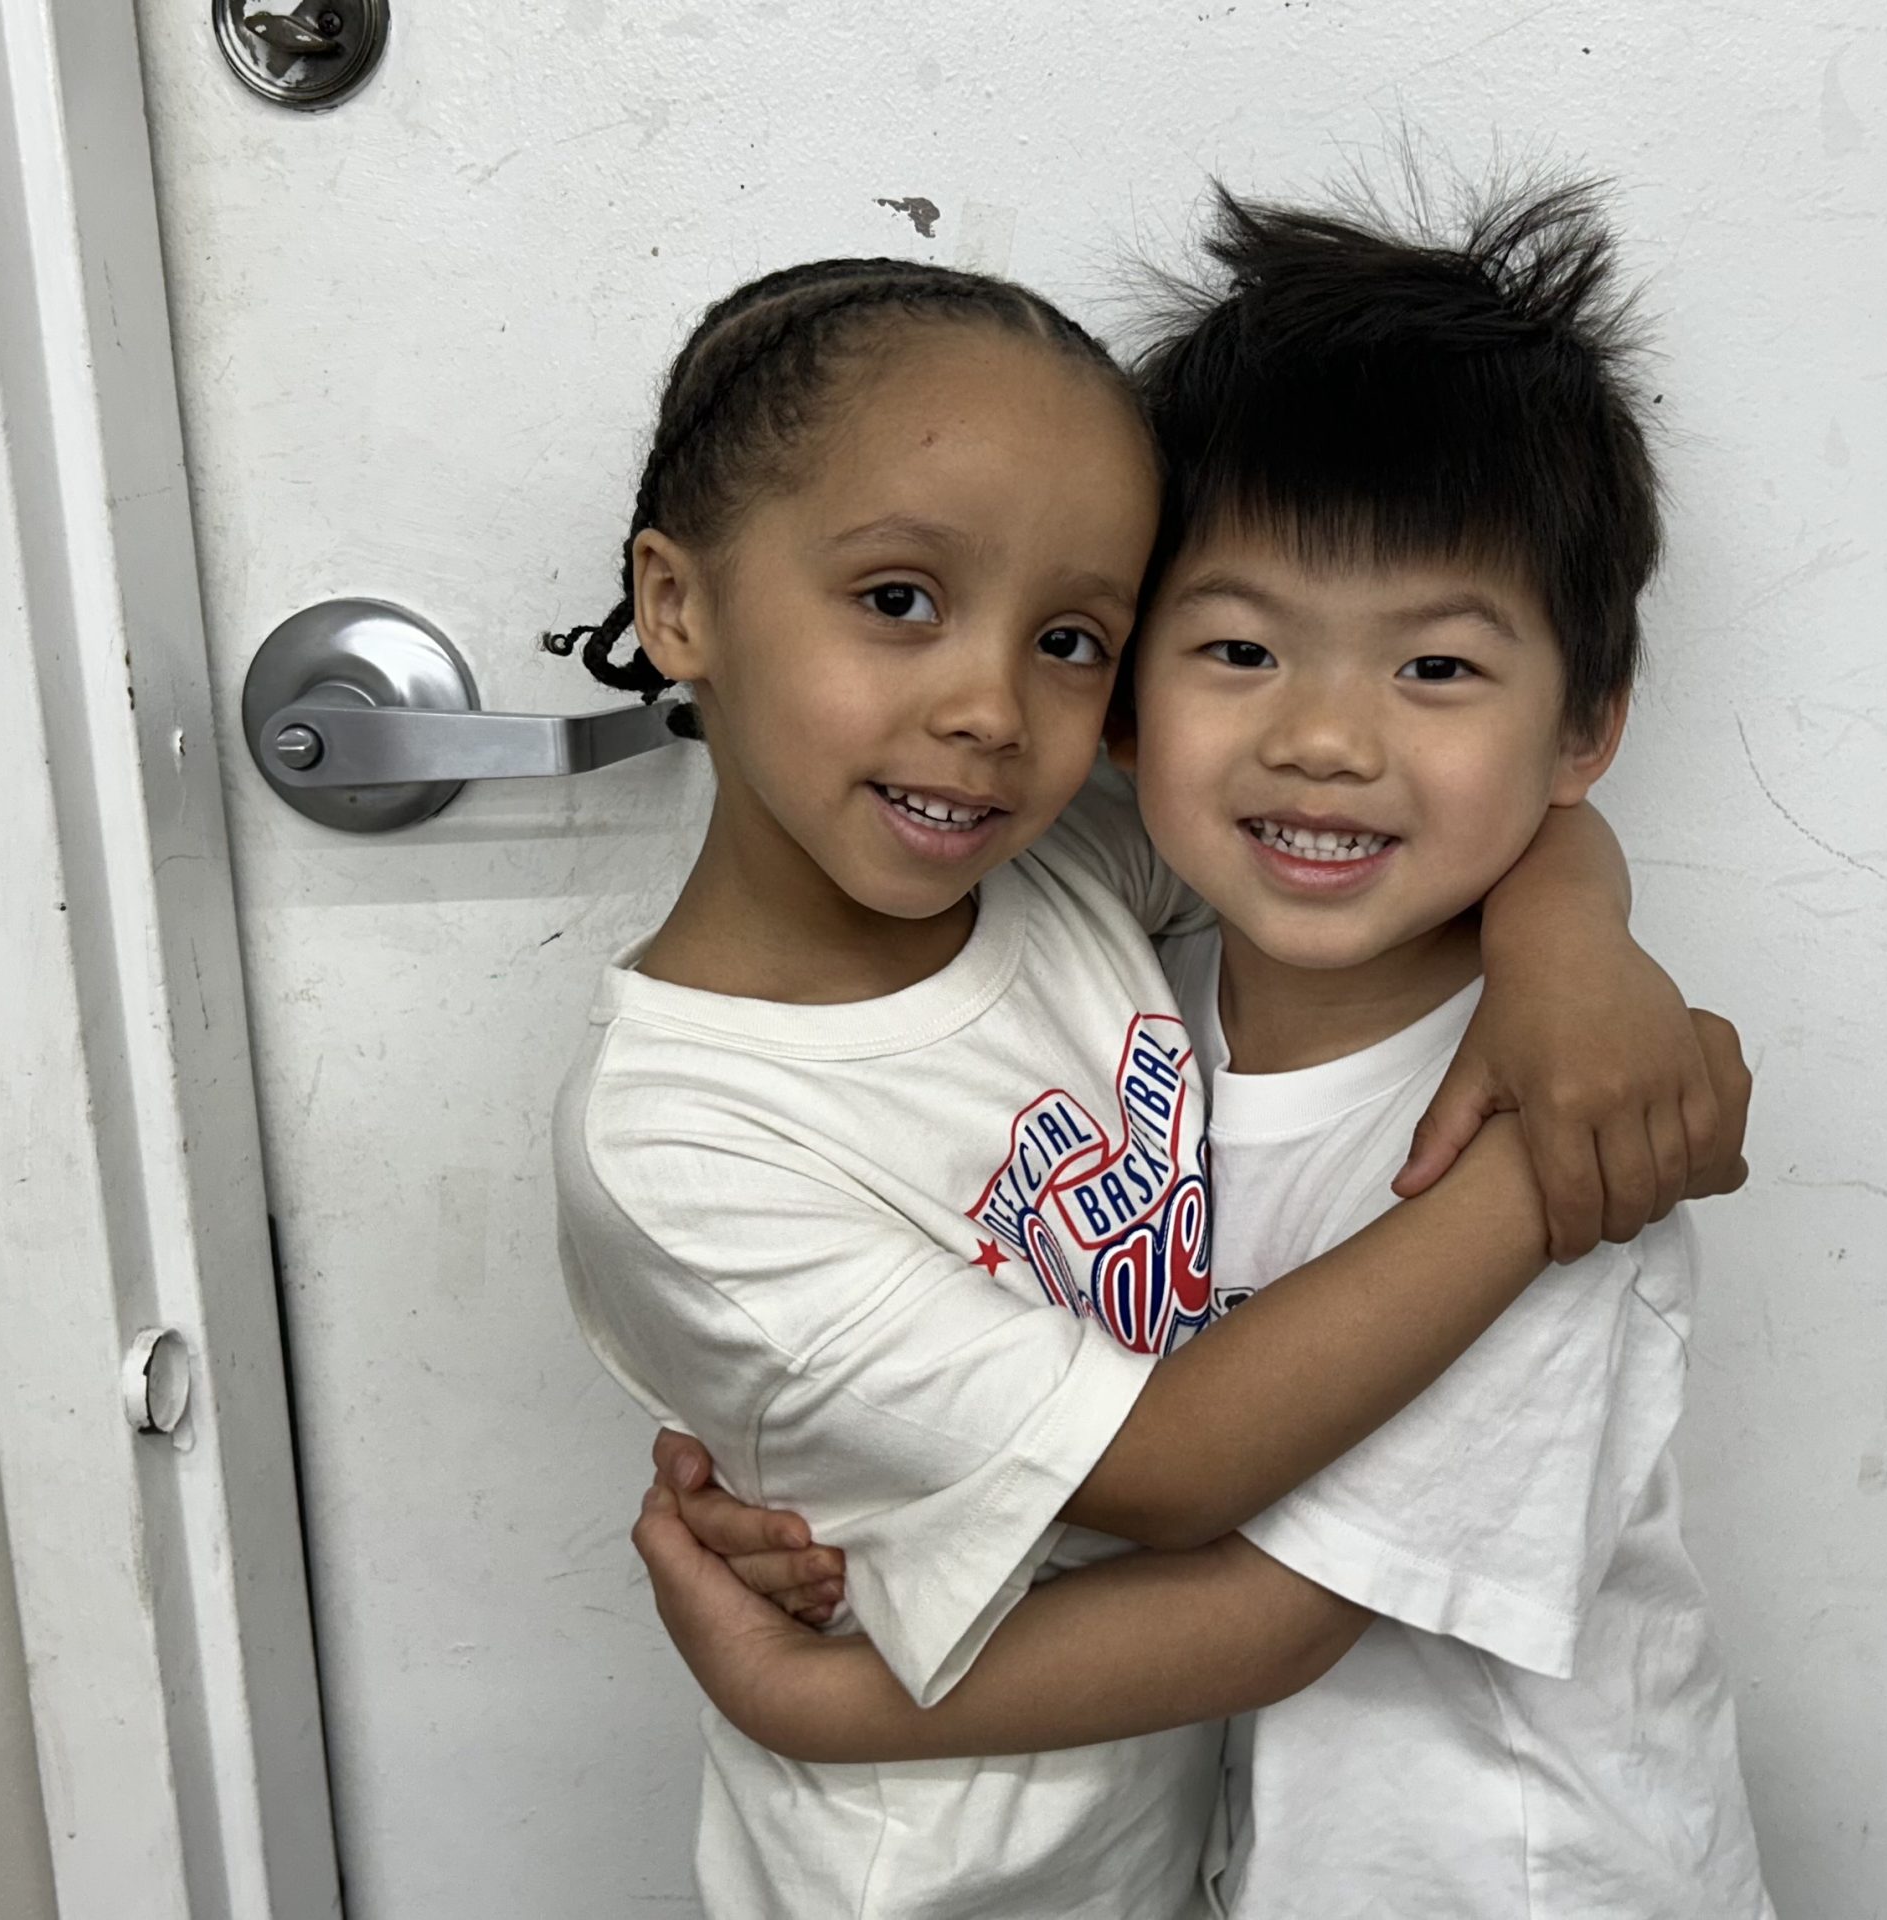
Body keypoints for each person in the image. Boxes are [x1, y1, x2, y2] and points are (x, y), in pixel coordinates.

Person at [551, 253, 1748, 1919]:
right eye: (898, 599)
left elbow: (1469, 821)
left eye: (1064, 639)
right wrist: (1555, 1149)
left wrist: (1577, 958)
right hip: (941, 1877)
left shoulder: (1065, 893)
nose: (988, 708)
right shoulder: (686, 1139)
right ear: (678, 605)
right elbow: (1172, 1467)